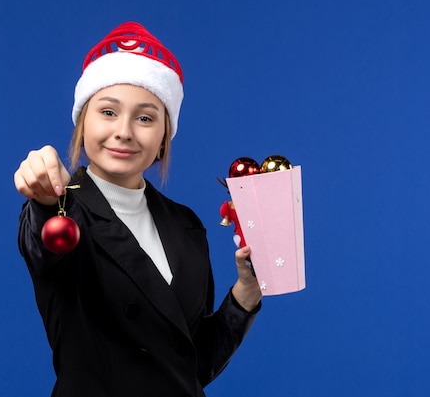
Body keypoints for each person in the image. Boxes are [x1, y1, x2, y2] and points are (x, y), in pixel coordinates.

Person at [14, 21, 262, 397]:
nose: (125, 131)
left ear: (164, 137)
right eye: (108, 112)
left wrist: (246, 292)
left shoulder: (186, 225)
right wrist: (46, 198)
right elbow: (45, 245)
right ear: (82, 123)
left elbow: (191, 366)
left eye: (145, 118)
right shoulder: (64, 208)